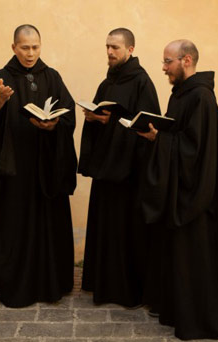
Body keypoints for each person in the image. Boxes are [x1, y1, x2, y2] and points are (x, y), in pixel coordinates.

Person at [138, 39, 218, 340]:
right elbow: (179, 138)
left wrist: (160, 140)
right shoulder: (181, 95)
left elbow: (195, 152)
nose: (163, 67)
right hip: (180, 191)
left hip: (198, 198)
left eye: (168, 61)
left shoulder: (202, 98)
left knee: (196, 259)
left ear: (186, 60)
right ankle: (178, 311)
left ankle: (201, 320)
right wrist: (160, 137)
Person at [0, 24, 77, 308]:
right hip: (13, 170)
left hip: (45, 168)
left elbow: (69, 117)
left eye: (35, 47)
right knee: (14, 225)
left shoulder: (52, 77)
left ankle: (49, 283)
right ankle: (15, 286)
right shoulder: (0, 78)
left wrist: (55, 124)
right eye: (25, 47)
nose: (31, 54)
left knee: (47, 225)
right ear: (14, 47)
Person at [78, 28, 160, 307]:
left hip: (129, 175)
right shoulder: (107, 82)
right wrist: (94, 120)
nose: (110, 52)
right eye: (107, 47)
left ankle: (127, 291)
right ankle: (104, 284)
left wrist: (108, 123)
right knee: (106, 230)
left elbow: (146, 130)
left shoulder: (142, 83)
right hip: (106, 172)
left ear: (130, 49)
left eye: (115, 47)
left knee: (127, 233)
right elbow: (105, 119)